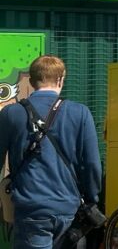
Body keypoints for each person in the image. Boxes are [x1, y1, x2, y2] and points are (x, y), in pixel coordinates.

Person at [0, 55, 102, 249]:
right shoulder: (81, 113)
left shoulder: (10, 114)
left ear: (31, 81)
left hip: (30, 209)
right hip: (69, 211)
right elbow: (92, 164)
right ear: (61, 79)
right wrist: (92, 198)